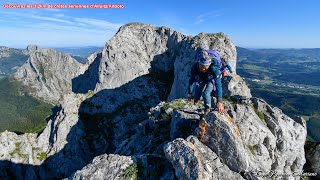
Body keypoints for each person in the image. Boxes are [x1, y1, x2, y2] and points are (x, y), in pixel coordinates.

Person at [188, 51, 225, 115]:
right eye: (201, 66)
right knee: (198, 87)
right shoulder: (195, 67)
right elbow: (191, 80)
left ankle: (207, 109)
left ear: (209, 64)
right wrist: (190, 92)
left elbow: (218, 85)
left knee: (206, 93)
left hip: (211, 79)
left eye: (205, 67)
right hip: (202, 77)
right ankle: (196, 100)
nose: (203, 69)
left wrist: (219, 101)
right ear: (198, 63)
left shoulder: (215, 69)